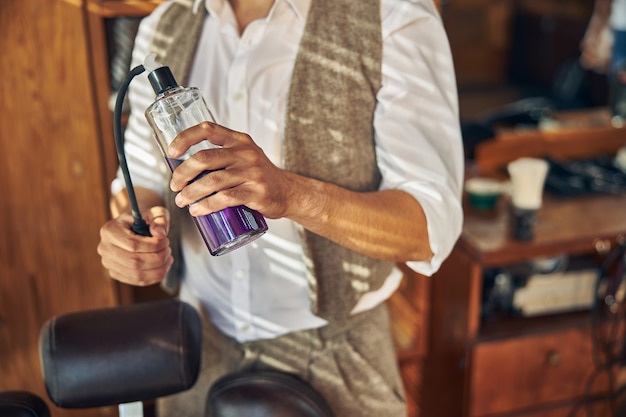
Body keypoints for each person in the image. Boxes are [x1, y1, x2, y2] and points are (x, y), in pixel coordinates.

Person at [96, 0, 464, 416]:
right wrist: (136, 226)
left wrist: (292, 194)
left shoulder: (392, 16)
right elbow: (144, 178)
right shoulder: (165, 23)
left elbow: (429, 227)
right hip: (197, 355)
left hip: (338, 364)